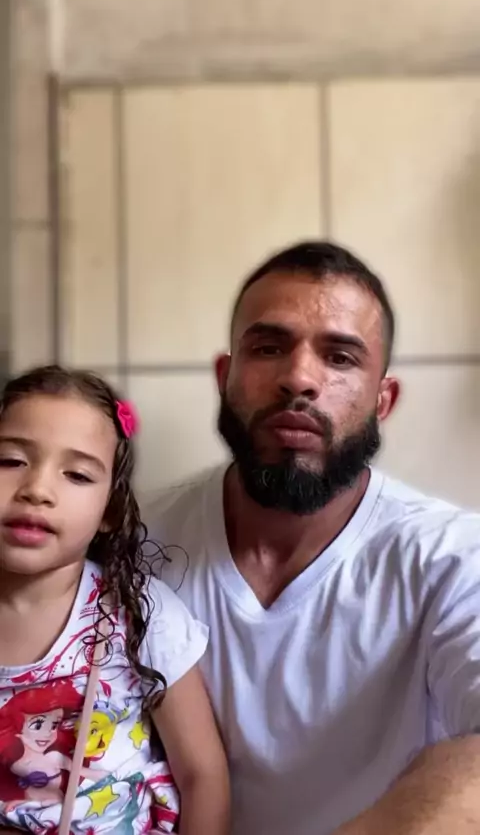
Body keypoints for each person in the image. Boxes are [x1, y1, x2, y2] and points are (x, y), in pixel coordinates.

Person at [145, 241, 480, 835]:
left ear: (383, 400)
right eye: (269, 348)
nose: (299, 378)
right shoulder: (134, 544)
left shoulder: (451, 559)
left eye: (340, 358)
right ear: (225, 378)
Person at [0, 366, 230, 835]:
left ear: (110, 511)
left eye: (77, 474)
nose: (37, 490)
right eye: (10, 461)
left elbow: (203, 776)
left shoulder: (139, 613)